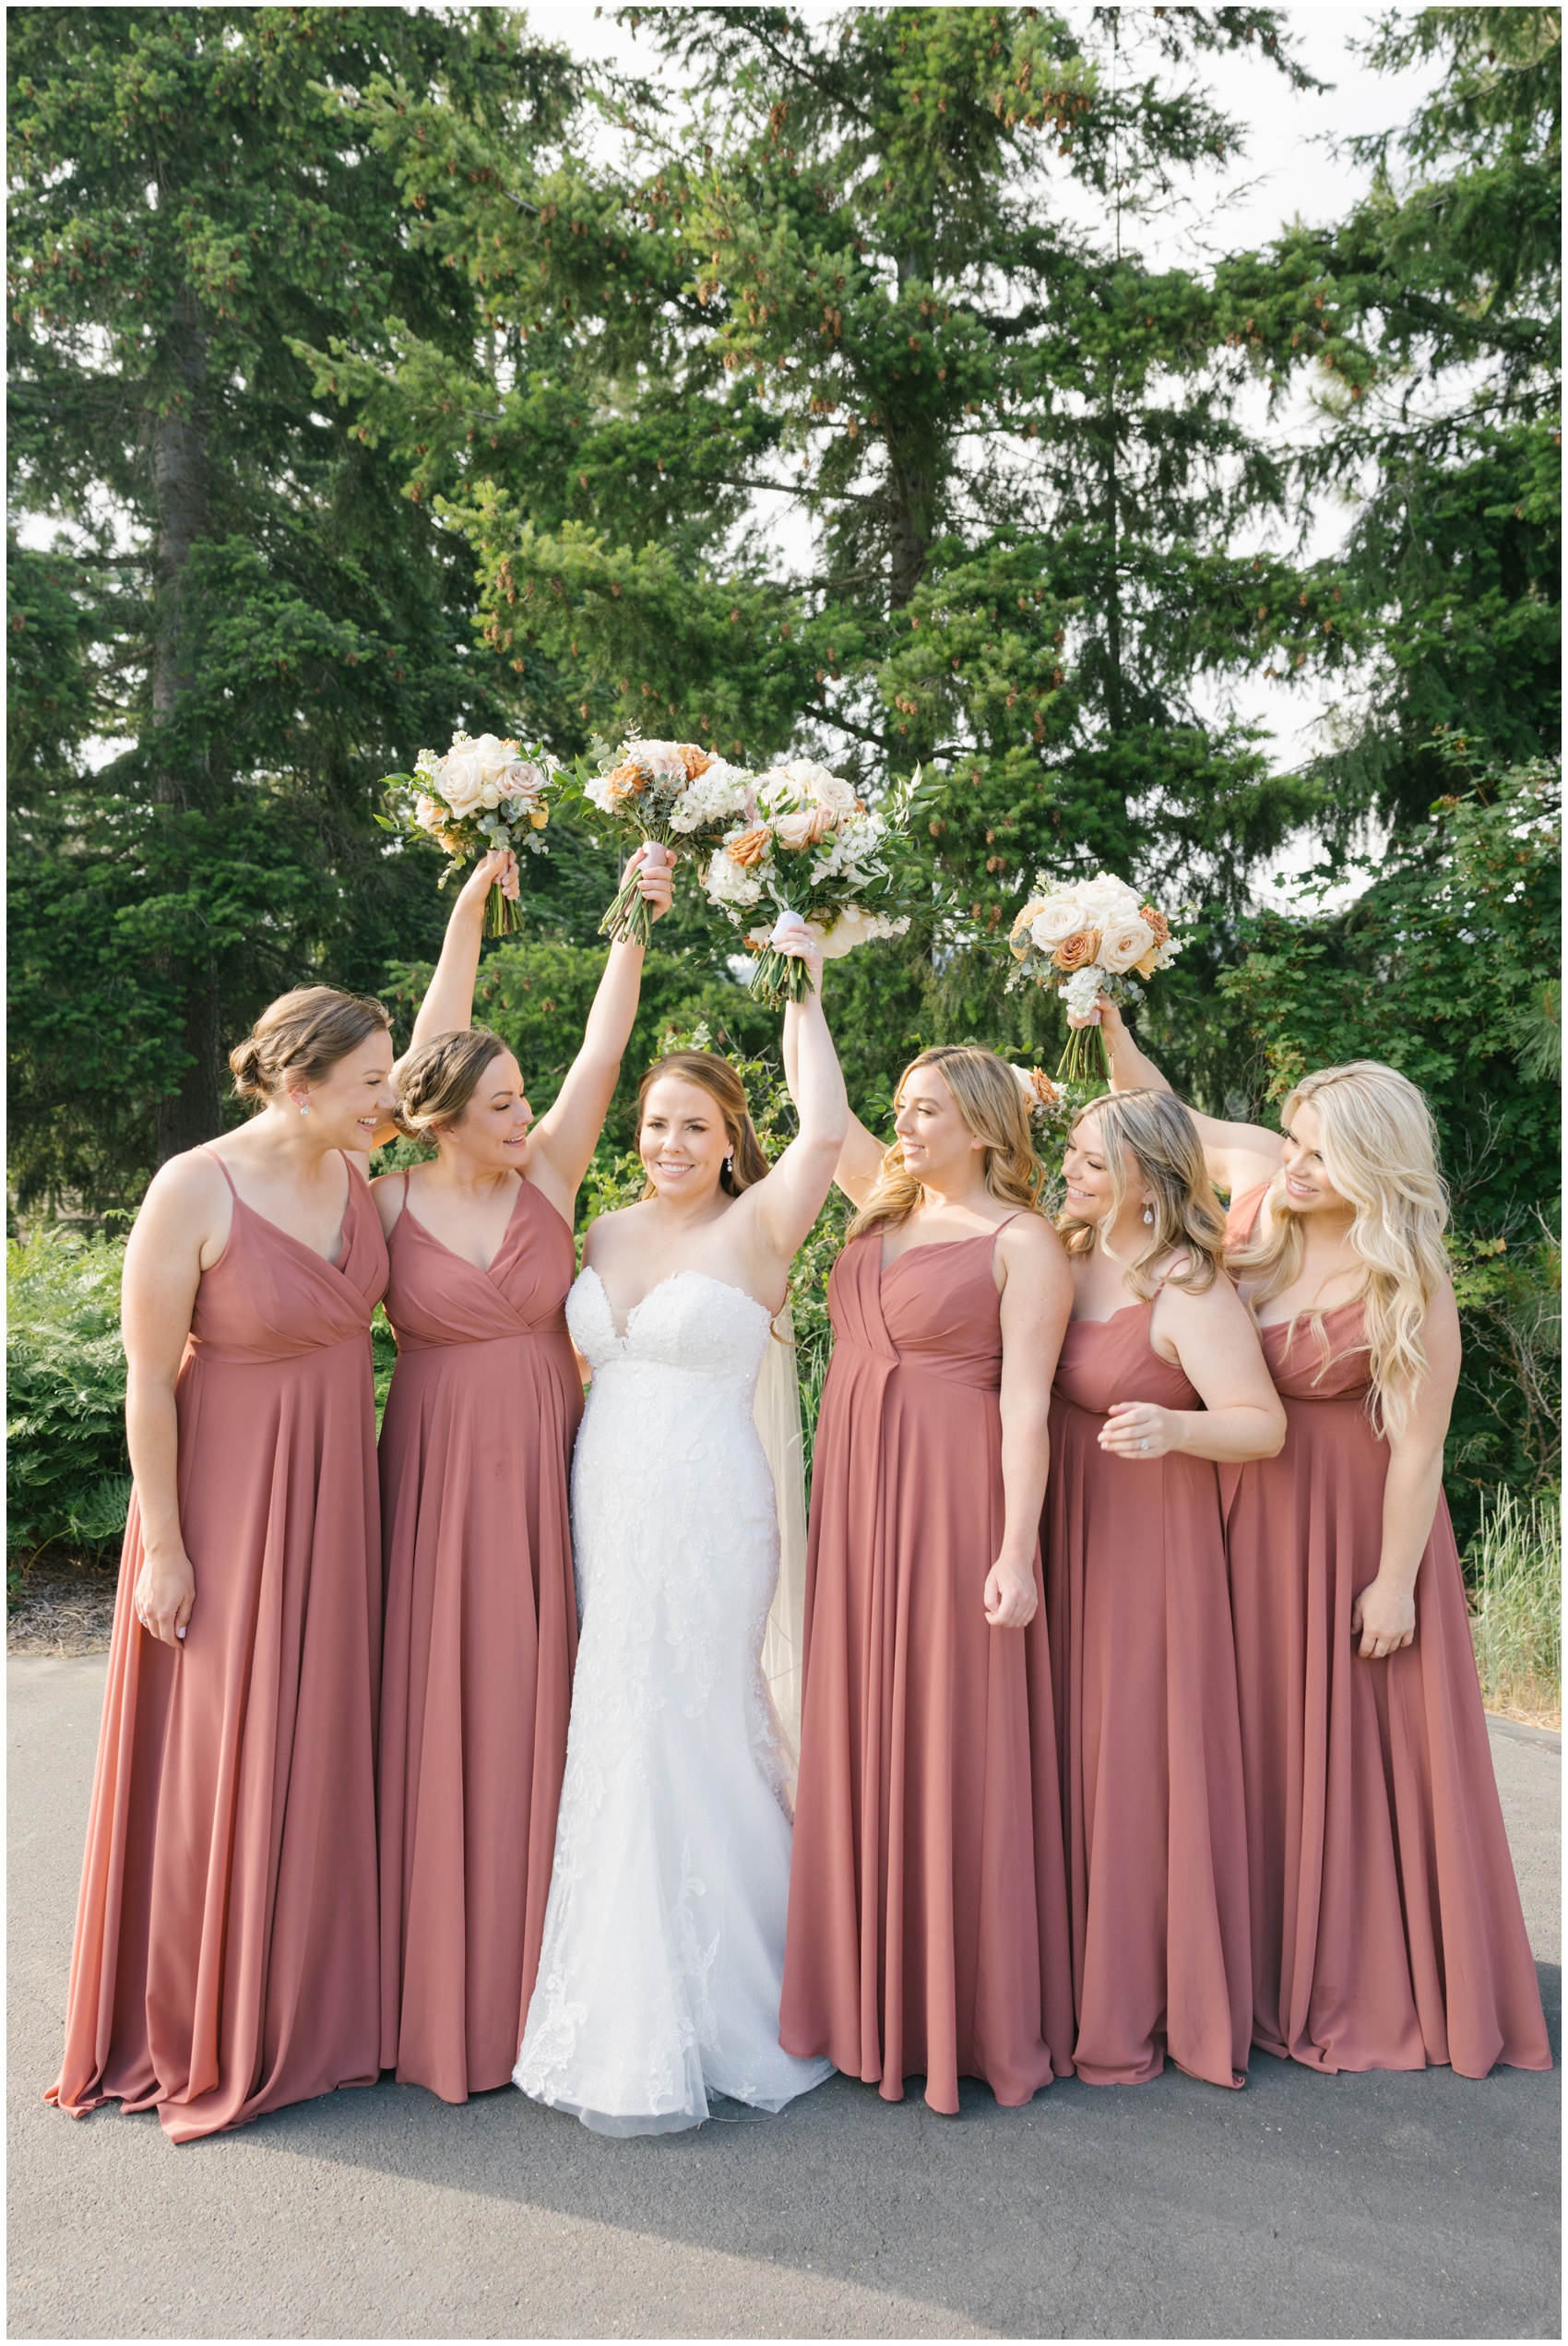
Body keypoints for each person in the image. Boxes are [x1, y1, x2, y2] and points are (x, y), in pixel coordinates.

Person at [1082, 1002, 1549, 2075]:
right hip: (1240, 1510)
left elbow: (1419, 1449)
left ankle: (1352, 1966)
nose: (1292, 1160)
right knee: (1241, 1733)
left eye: (1318, 1150)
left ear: (1373, 1161)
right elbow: (1163, 1111)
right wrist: (1102, 1009)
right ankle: (1235, 1964)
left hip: (1352, 1519)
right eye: (1290, 1139)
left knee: (1346, 1744)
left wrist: (1393, 1583)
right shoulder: (1251, 1210)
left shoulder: (1406, 1278)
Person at [513, 915, 844, 2133]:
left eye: (694, 1126)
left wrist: (801, 979)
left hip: (712, 1502)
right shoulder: (600, 1231)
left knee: (697, 1711)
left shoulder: (758, 1229)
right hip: (608, 1493)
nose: (667, 1142)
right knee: (618, 1713)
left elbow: (824, 1128)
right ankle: (617, 1999)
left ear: (728, 1140)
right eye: (656, 1123)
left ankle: (749, 1990)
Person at [49, 987, 398, 2141]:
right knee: (219, 1752)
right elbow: (146, 1381)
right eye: (369, 1082)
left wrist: (468, 901)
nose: (387, 1098)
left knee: (321, 1732)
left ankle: (309, 2004)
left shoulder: (355, 1168)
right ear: (299, 1086)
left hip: (339, 1487)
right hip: (228, 1497)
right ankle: (200, 2016)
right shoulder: (193, 1184)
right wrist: (166, 1545)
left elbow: (449, 1024)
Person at [374, 844, 674, 2104]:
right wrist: (461, 917)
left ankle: (549, 1975)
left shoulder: (549, 1173)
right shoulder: (383, 1198)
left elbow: (606, 1049)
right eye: (498, 1100)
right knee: (441, 1700)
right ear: (441, 1116)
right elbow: (424, 1042)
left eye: (521, 1097)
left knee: (549, 1700)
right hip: (435, 1473)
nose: (523, 1110)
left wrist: (633, 922)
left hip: (555, 1467)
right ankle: (434, 1980)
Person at [778, 1042, 1077, 2114]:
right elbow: (820, 1102)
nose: (904, 1126)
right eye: (901, 1108)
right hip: (857, 1490)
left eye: (928, 1112)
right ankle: (859, 1998)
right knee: (857, 1721)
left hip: (951, 1495)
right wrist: (799, 967)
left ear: (988, 1126)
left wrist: (1013, 1547)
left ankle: (955, 2006)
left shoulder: (1023, 1241)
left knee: (950, 1729)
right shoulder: (878, 1204)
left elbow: (1025, 1405)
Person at [1045, 1088, 1285, 2088]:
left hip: (1147, 1543)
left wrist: (1176, 1427)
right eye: (1070, 1152)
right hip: (1065, 1526)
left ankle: (1140, 1985)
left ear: (1148, 1177)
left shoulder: (1187, 1287)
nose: (1072, 1171)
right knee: (1062, 1746)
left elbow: (1260, 1422)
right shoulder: (1064, 1251)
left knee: (1131, 1756)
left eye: (1093, 1162)